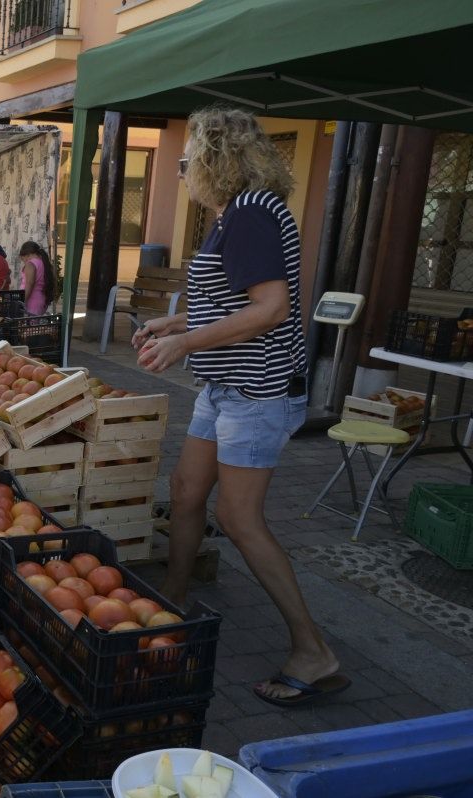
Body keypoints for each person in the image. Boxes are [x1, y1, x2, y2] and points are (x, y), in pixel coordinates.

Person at [134, 106, 341, 709]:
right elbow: (231, 301)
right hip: (225, 387)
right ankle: (174, 594)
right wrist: (174, 321)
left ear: (212, 159)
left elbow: (271, 308)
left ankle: (313, 650)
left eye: (186, 159)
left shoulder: (252, 213)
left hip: (257, 391)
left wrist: (184, 342)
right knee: (187, 488)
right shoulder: (235, 216)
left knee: (242, 517)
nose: (183, 172)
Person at [19, 240, 58, 315]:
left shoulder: (30, 264)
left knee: (29, 326)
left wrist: (22, 301)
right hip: (40, 299)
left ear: (26, 255)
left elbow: (30, 283)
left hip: (31, 301)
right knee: (35, 325)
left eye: (22, 259)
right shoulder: (44, 263)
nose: (24, 261)